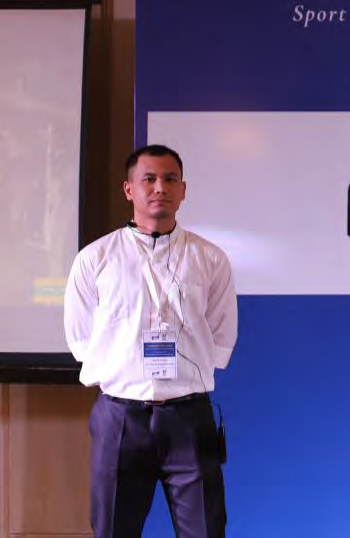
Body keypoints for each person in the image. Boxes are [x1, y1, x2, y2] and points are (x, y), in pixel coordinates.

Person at [64, 144, 238, 538]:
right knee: (113, 530)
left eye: (170, 179)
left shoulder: (210, 259)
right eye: (149, 179)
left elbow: (221, 332)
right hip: (120, 416)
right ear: (129, 189)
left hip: (188, 416)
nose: (160, 187)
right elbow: (81, 337)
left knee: (206, 530)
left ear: (183, 190)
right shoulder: (95, 259)